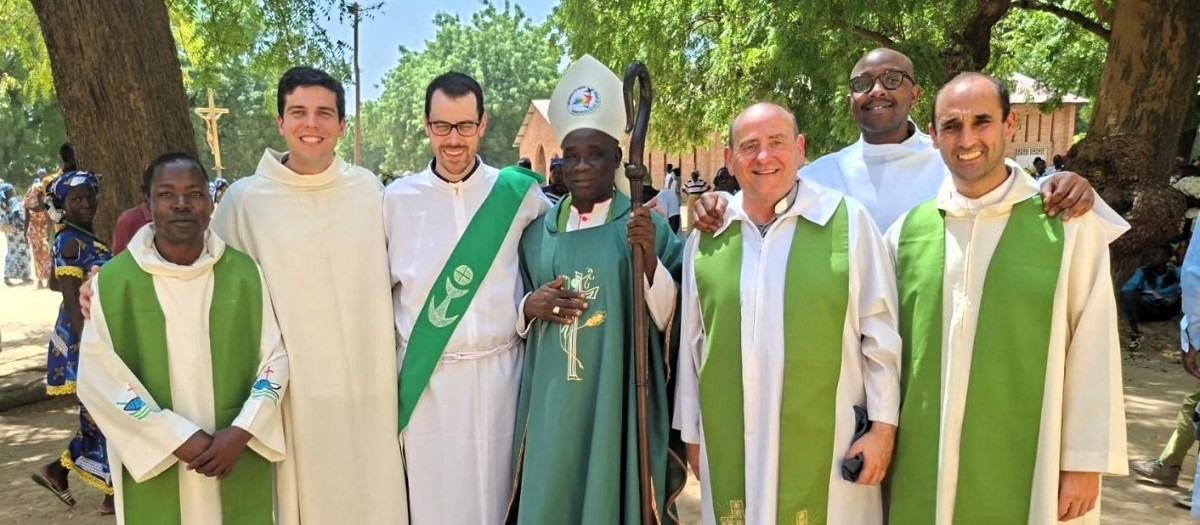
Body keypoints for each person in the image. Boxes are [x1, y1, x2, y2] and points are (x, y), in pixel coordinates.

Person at [884, 73, 1128, 525]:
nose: (968, 139)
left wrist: (1082, 461)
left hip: (1032, 457)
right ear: (933, 136)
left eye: (982, 121)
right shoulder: (905, 233)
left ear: (1010, 123)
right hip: (923, 457)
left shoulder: (1067, 225)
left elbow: (1094, 347)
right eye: (952, 126)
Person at [676, 102, 901, 524]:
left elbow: (882, 334)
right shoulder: (709, 238)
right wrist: (692, 436)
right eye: (749, 146)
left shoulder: (846, 222)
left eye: (777, 143)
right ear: (729, 159)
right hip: (731, 442)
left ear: (800, 150)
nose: (764, 157)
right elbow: (694, 345)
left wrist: (883, 428)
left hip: (829, 443)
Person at [208, 66, 407, 524]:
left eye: (324, 113)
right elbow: (201, 277)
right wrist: (105, 283)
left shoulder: (369, 191)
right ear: (280, 122)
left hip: (371, 387)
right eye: (298, 112)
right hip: (296, 394)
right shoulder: (245, 202)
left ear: (341, 125)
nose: (310, 125)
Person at [508, 54, 686, 524]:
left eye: (596, 155)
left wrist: (649, 261)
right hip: (550, 402)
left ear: (617, 160)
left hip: (618, 398)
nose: (582, 167)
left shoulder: (648, 228)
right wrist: (530, 306)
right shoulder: (535, 234)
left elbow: (674, 321)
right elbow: (509, 312)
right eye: (573, 157)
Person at [692, 48, 1114, 235]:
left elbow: (1012, 194)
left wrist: (1064, 184)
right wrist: (718, 206)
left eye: (892, 79)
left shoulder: (951, 161)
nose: (877, 89)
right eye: (863, 83)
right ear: (851, 99)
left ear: (915, 94)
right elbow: (764, 203)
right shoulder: (821, 173)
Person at [77, 153, 289, 524]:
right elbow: (100, 380)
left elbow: (275, 358)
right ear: (148, 204)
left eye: (193, 193)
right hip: (159, 455)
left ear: (209, 202)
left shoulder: (244, 273)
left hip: (235, 451)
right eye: (166, 194)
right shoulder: (113, 283)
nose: (181, 204)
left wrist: (242, 429)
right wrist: (174, 437)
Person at [384, 71, 549, 525]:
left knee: (503, 503)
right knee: (437, 508)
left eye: (464, 126)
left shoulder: (519, 194)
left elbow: (570, 238)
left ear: (483, 124)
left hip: (504, 379)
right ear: (426, 125)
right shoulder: (395, 201)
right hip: (429, 385)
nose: (453, 140)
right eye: (442, 126)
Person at [30, 170, 115, 514]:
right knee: (104, 412)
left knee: (98, 414)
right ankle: (111, 491)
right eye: (76, 199)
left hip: (92, 335)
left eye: (89, 197)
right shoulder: (70, 240)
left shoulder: (79, 237)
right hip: (81, 341)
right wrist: (91, 349)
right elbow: (68, 298)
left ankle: (57, 471)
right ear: (62, 204)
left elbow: (54, 282)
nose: (86, 204)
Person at [1120, 245, 1181, 350]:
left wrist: (1173, 299)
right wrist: (1150, 293)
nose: (1151, 258)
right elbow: (1127, 288)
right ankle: (1136, 333)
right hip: (1148, 308)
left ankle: (1187, 336)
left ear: (1166, 258)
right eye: (1150, 255)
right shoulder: (1142, 271)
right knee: (1129, 295)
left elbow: (1188, 287)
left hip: (1169, 309)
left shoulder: (1176, 272)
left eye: (1155, 255)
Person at [23, 171, 55, 288]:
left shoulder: (29, 202)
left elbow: (27, 219)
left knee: (37, 256)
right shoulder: (44, 200)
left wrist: (24, 233)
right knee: (47, 254)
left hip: (33, 231)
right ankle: (48, 280)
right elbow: (50, 217)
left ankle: (41, 281)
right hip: (44, 230)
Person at [0, 182, 33, 286]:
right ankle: (25, 276)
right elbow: (17, 213)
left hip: (8, 229)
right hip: (18, 229)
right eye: (12, 189)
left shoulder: (2, 202)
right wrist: (25, 223)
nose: (14, 191)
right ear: (9, 191)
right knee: (24, 251)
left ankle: (7, 276)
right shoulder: (13, 200)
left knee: (12, 252)